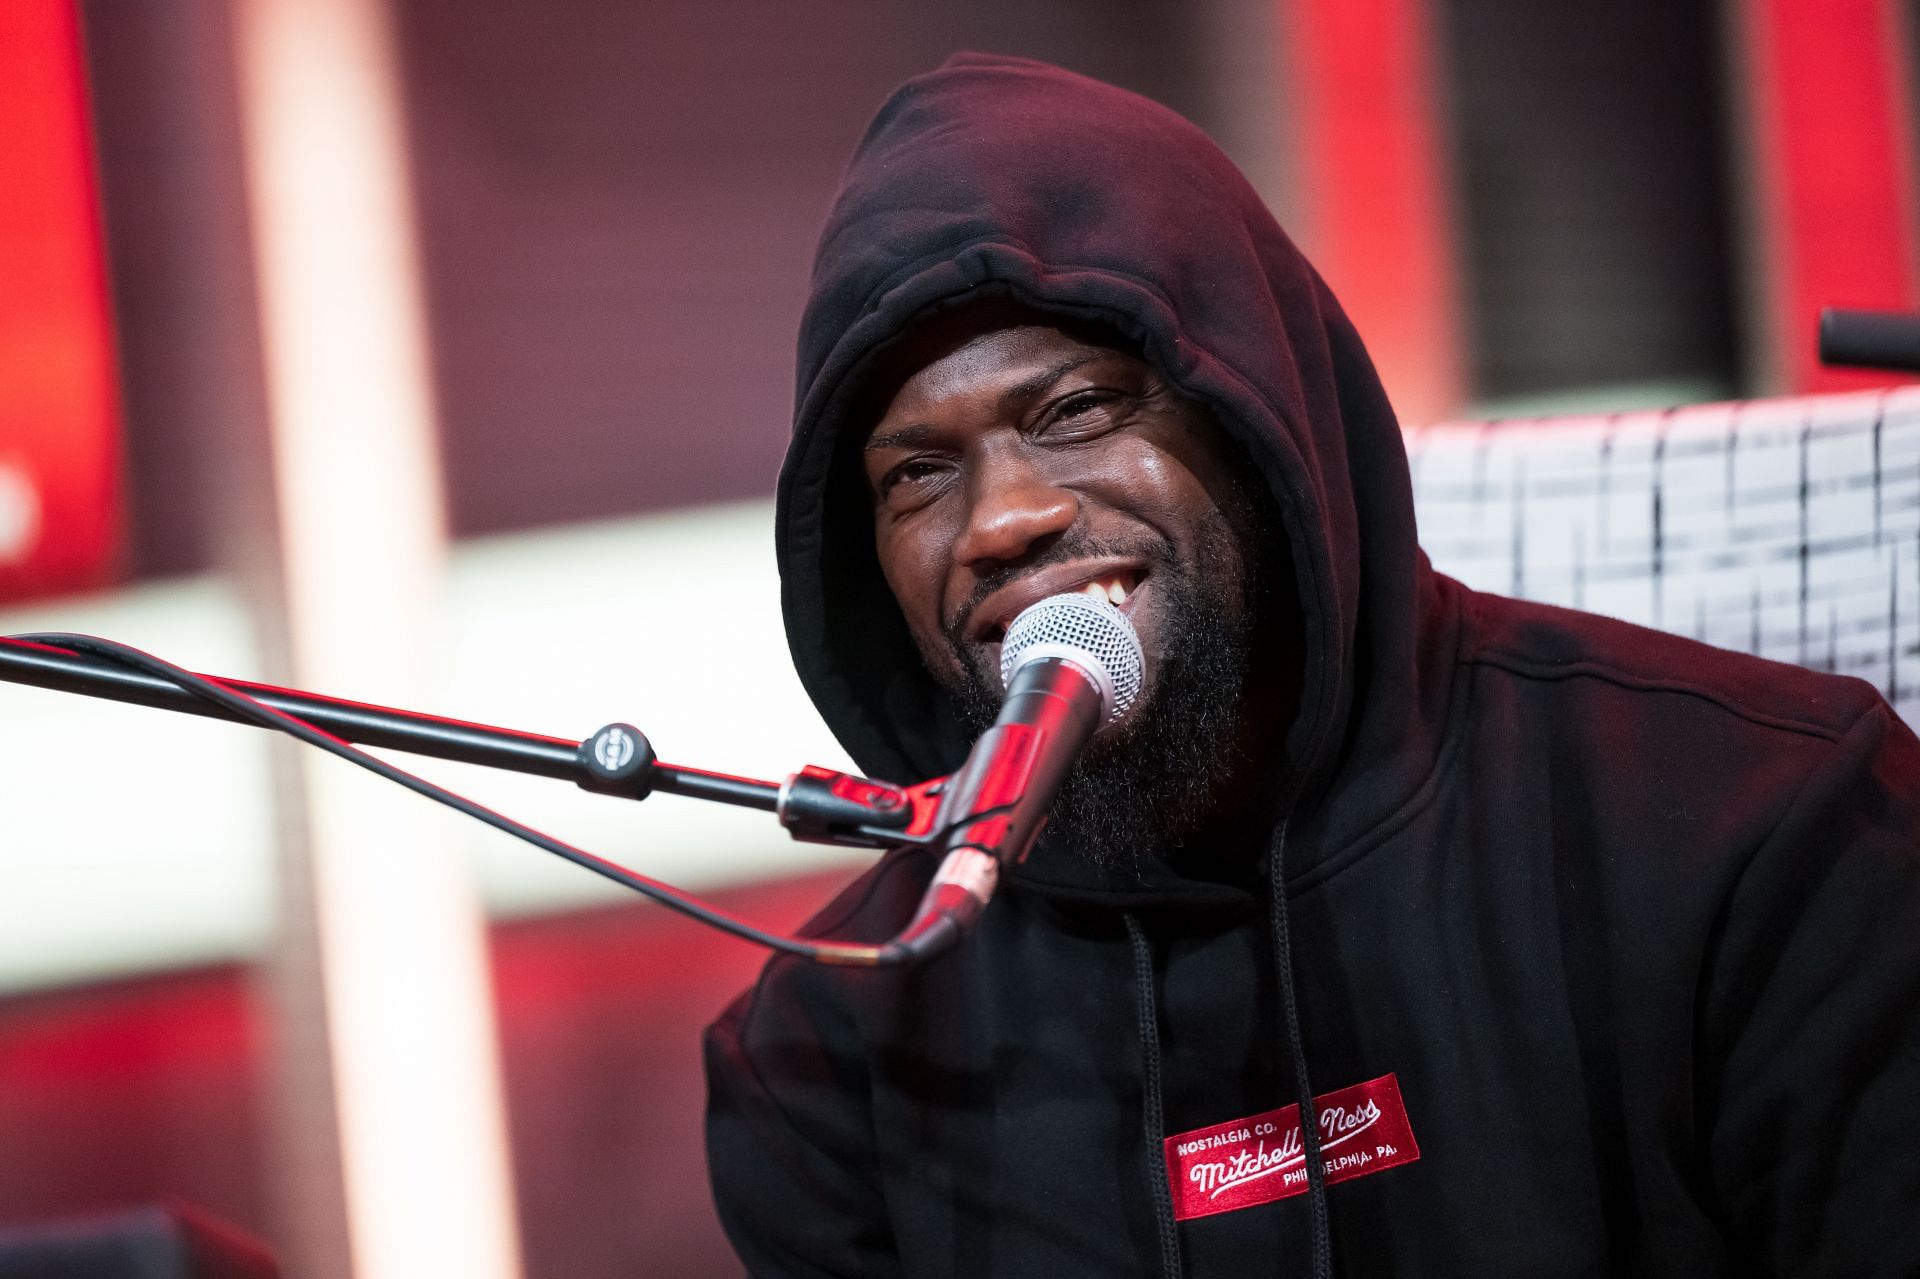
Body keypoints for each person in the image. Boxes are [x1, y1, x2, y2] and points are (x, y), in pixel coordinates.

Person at [704, 53, 1920, 1277]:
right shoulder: (828, 1051)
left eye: (1076, 408)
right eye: (916, 473)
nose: (1000, 519)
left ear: (1257, 414)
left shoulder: (1769, 827)